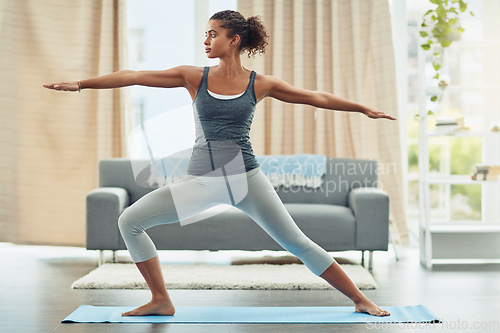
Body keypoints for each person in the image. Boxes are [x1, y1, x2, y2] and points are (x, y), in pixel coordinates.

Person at [44, 10, 395, 317]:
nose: (207, 41)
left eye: (213, 34)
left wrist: (362, 108)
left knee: (297, 244)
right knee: (130, 221)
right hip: (203, 181)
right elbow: (132, 74)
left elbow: (315, 97)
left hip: (246, 177)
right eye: (205, 35)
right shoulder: (193, 76)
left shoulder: (260, 84)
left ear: (234, 39)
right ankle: (160, 299)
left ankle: (360, 300)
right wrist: (80, 84)